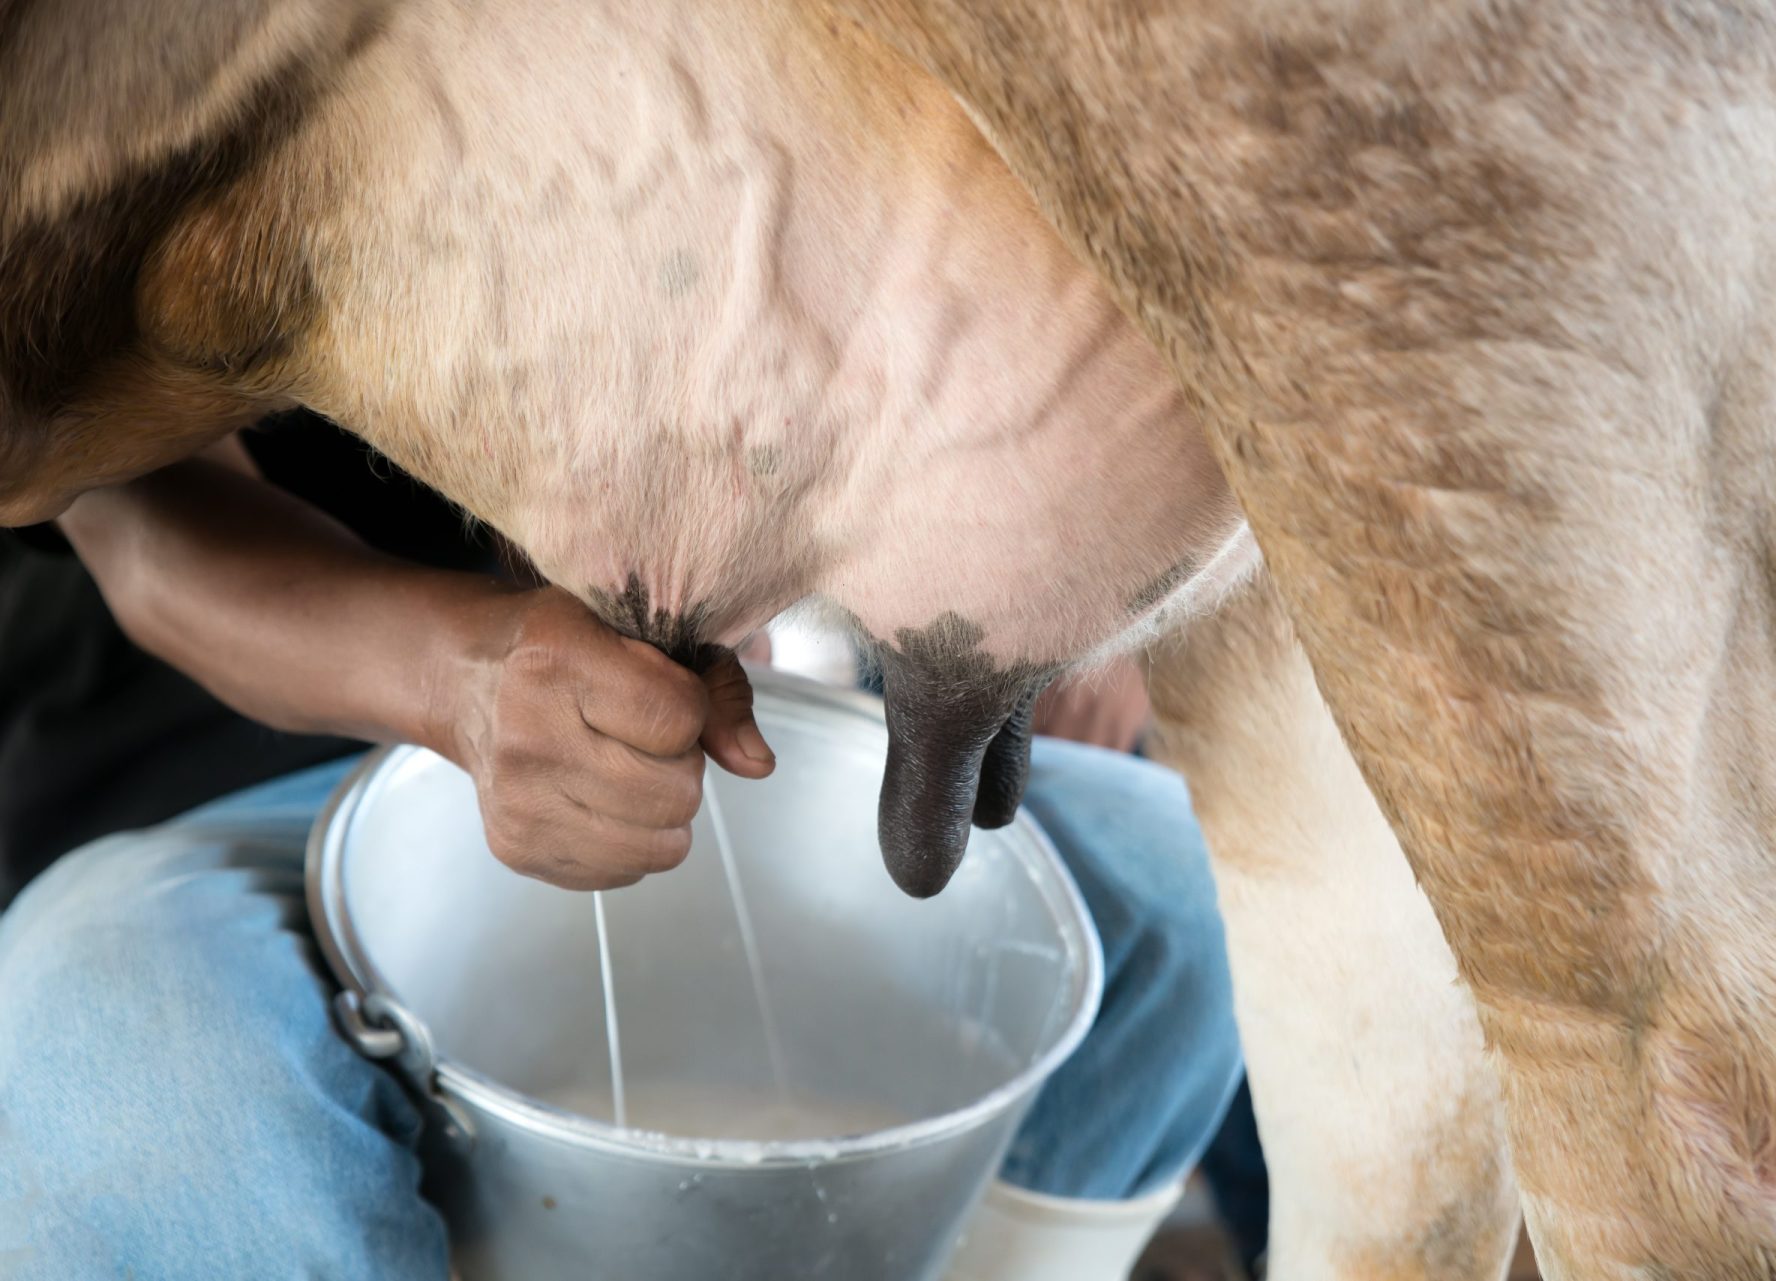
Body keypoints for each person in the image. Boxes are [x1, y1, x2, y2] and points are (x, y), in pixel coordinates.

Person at [0, 412, 1240, 1280]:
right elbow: (141, 528)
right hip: (236, 757)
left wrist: (1085, 578)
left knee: (1172, 893)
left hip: (662, 735)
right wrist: (465, 680)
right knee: (129, 1056)